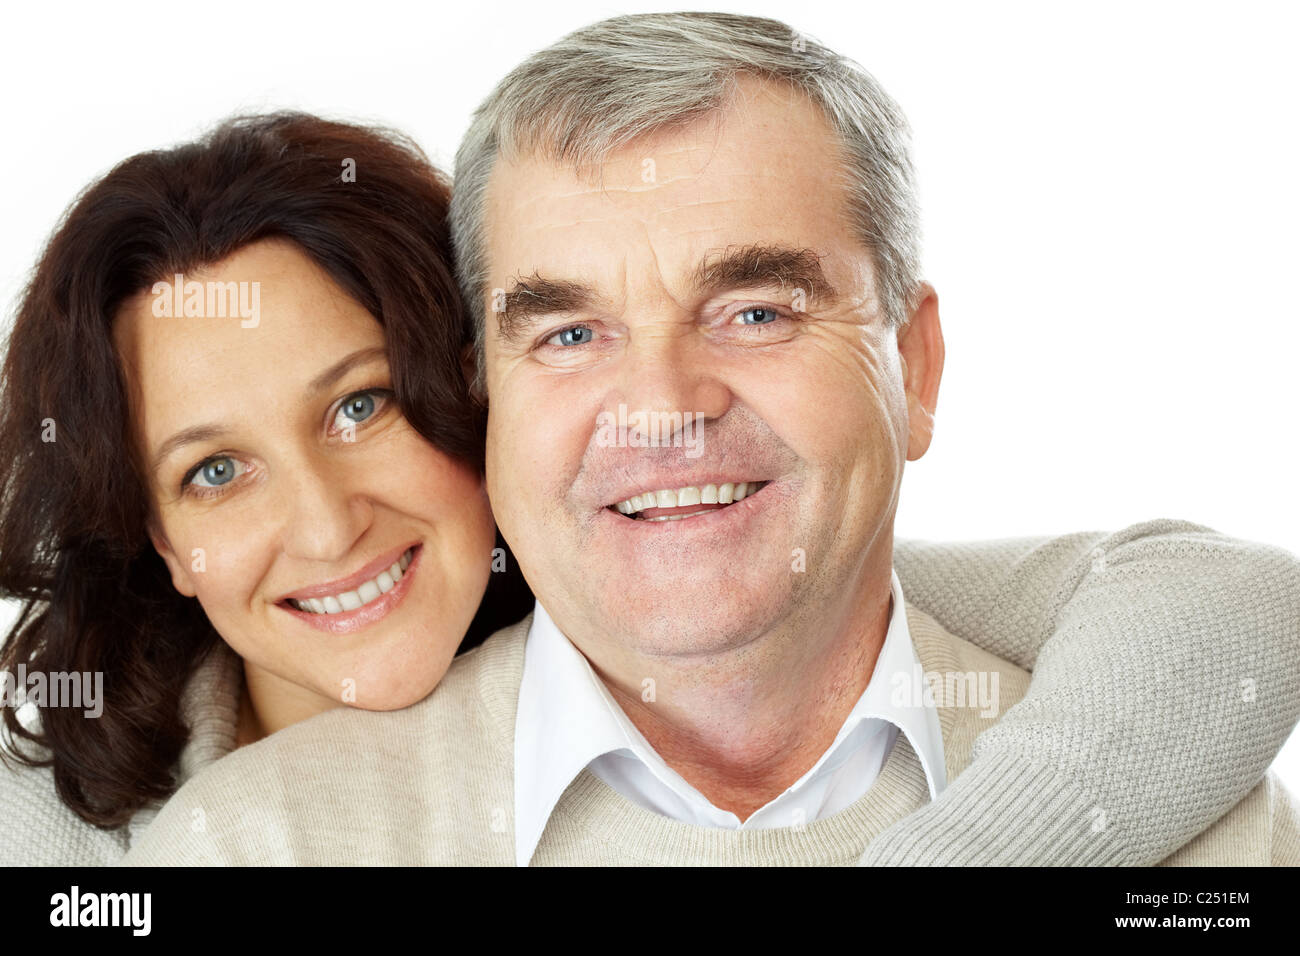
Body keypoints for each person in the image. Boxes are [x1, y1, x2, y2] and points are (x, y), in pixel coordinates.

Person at [122, 14, 1300, 866]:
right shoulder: (247, 848)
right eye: (572, 331)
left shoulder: (1186, 816)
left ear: (915, 365)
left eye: (754, 312)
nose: (662, 408)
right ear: (487, 396)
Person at [0, 112, 533, 864]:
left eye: (360, 405)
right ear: (162, 543)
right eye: (215, 471)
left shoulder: (677, 749)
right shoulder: (29, 839)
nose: (326, 527)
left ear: (468, 387)